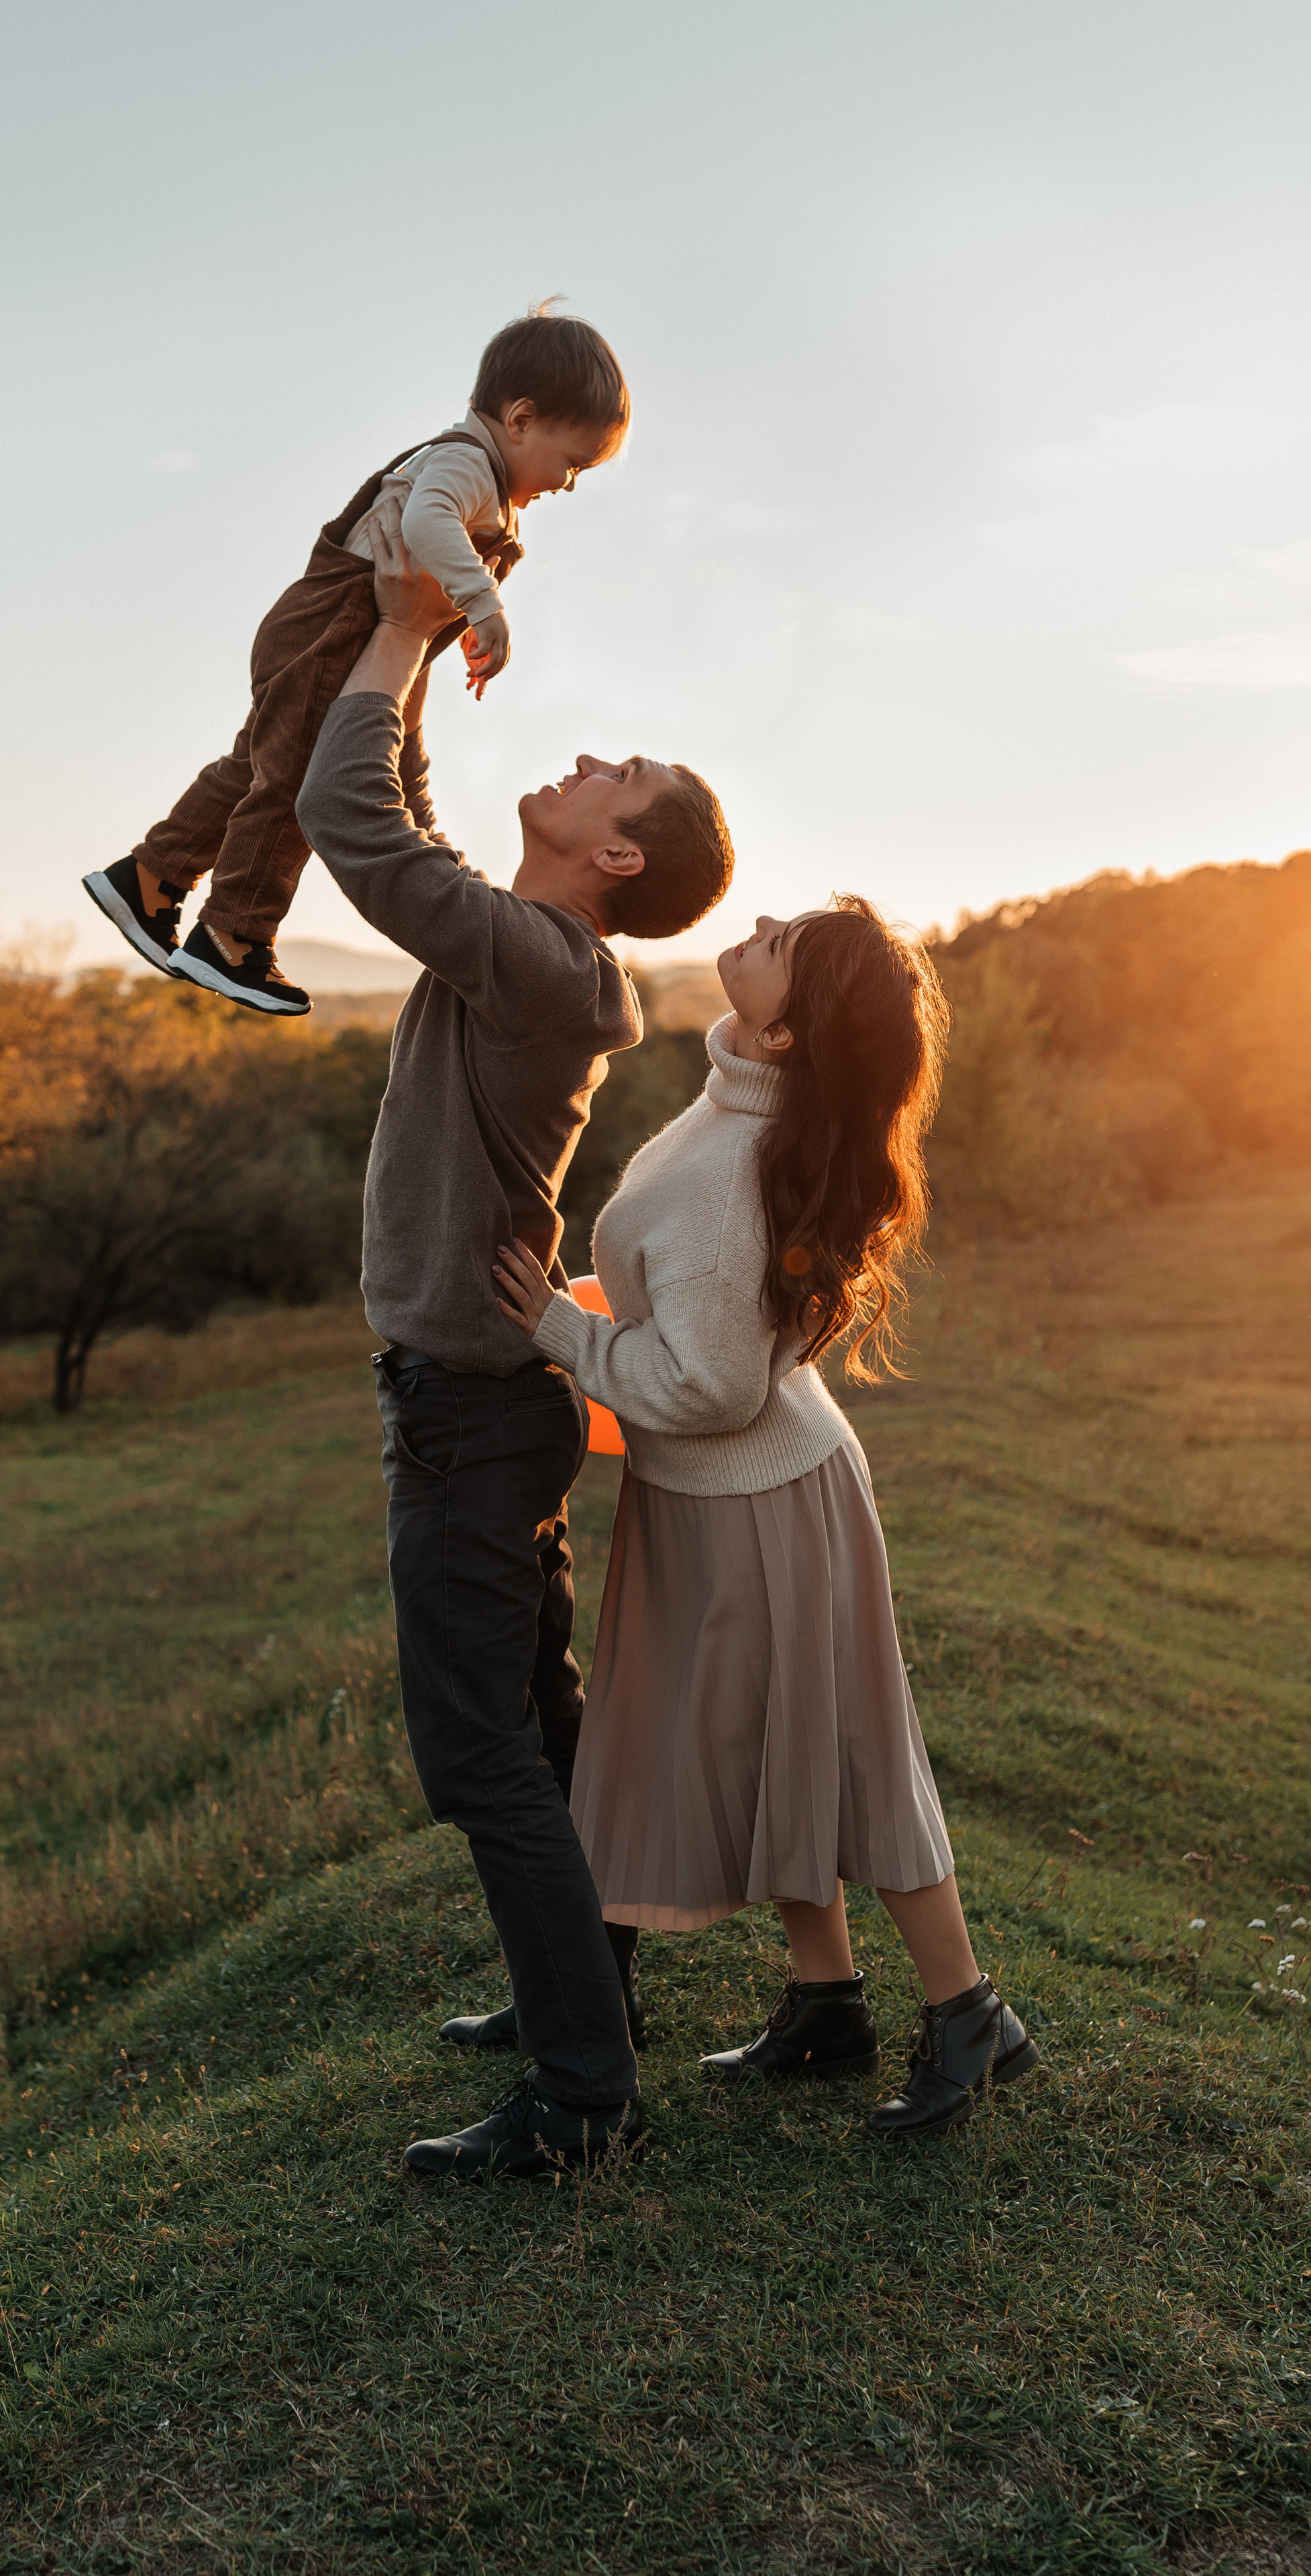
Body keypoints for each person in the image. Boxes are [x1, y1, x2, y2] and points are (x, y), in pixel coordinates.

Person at [295, 500, 733, 2179]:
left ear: (615, 858)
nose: (588, 758)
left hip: (470, 1417)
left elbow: (350, 821)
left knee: (476, 1754)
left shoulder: (545, 966)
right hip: (489, 1402)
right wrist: (404, 651)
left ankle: (581, 2093)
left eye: (618, 774)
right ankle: (587, 1995)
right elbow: (402, 816)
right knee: (541, 1729)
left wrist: (404, 628)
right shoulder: (528, 948)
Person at [492, 901, 1041, 2140]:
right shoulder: (747, 1111)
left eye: (783, 940)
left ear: (788, 1034)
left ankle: (972, 2018)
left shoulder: (736, 1168)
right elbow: (705, 1316)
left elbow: (709, 1386)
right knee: (778, 1747)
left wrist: (562, 1329)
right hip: (722, 1497)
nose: (759, 921)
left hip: (763, 1504)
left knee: (849, 1754)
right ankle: (828, 2003)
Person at [82, 306, 630, 1017]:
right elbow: (425, 523)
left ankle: (148, 881)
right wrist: (483, 603)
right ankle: (232, 936)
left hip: (322, 630)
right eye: (573, 463)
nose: (570, 483)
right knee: (293, 784)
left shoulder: (477, 472)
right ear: (521, 419)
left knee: (258, 765)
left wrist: (439, 638)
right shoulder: (466, 464)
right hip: (333, 630)